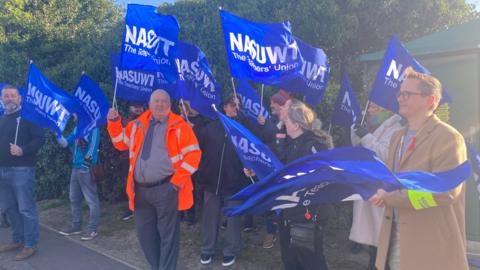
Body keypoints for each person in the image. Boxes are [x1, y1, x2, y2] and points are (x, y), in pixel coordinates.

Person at [370, 67, 468, 270]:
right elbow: (390, 180)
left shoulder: (448, 138)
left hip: (429, 246)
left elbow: (444, 191)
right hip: (393, 238)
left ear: (430, 100)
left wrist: (389, 196)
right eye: (400, 93)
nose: (400, 98)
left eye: (407, 94)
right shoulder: (397, 137)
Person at [107, 89, 201, 270]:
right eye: (156, 101)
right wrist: (113, 122)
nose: (160, 104)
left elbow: (194, 156)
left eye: (164, 101)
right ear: (149, 104)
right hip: (140, 191)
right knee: (145, 235)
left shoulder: (180, 126)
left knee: (168, 236)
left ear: (169, 105)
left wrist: (175, 183)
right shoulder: (137, 125)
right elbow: (120, 142)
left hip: (166, 188)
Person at [276, 100, 333, 270]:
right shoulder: (291, 142)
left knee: (310, 261)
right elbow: (278, 169)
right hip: (289, 211)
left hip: (308, 214)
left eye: (287, 121)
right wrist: (255, 171)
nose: (284, 123)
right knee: (290, 259)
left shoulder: (314, 145)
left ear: (296, 124)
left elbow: (324, 178)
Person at [198, 94, 253, 267]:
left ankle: (231, 251)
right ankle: (207, 249)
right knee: (210, 218)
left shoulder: (244, 129)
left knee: (233, 221)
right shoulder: (210, 127)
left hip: (235, 183)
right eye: (232, 104)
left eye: (239, 105)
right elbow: (198, 150)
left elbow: (253, 153)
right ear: (224, 107)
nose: (236, 107)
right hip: (212, 181)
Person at [348, 102, 403, 269]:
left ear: (387, 110)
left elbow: (385, 155)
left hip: (382, 190)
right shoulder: (372, 124)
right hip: (369, 188)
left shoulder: (396, 126)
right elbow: (357, 148)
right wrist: (356, 130)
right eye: (369, 107)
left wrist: (366, 136)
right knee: (374, 244)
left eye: (375, 108)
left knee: (382, 243)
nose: (369, 111)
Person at [0, 85, 45, 260]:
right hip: (2, 170)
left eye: (13, 96)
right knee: (10, 208)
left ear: (20, 98)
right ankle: (18, 240)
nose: (9, 98)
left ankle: (30, 245)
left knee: (26, 209)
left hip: (22, 170)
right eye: (6, 96)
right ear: (2, 99)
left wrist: (23, 150)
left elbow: (40, 139)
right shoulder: (2, 119)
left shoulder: (28, 118)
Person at [256, 89, 292, 248]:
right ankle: (270, 232)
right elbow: (262, 141)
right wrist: (261, 126)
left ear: (282, 105)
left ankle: (287, 231)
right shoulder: (268, 121)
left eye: (274, 103)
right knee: (270, 200)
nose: (270, 105)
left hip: (286, 169)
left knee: (286, 202)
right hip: (270, 169)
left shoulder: (292, 122)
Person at [57, 120, 101, 241]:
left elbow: (93, 147)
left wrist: (85, 165)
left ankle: (92, 229)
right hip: (76, 168)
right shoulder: (78, 128)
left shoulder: (94, 128)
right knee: (74, 198)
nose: (75, 115)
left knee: (91, 200)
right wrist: (57, 134)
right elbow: (66, 143)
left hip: (85, 169)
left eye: (77, 113)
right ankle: (77, 226)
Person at [178, 100, 210, 225]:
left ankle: (191, 216)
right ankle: (180, 213)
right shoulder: (175, 120)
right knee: (179, 186)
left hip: (194, 160)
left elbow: (202, 141)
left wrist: (192, 130)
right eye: (180, 106)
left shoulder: (198, 121)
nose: (181, 108)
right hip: (178, 160)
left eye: (184, 106)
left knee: (191, 187)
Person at [120, 102, 145, 221]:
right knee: (130, 185)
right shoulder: (126, 122)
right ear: (130, 107)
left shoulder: (148, 120)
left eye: (140, 106)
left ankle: (139, 209)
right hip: (128, 159)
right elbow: (120, 141)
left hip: (142, 160)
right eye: (136, 105)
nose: (139, 108)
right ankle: (132, 209)